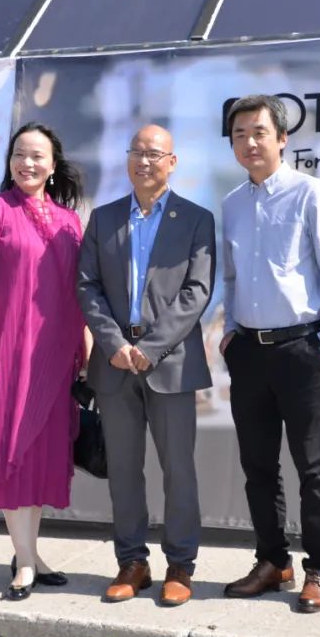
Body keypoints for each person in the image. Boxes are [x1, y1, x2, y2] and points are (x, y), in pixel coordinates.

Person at [219, 95, 320, 613]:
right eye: (239, 135)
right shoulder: (232, 204)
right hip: (249, 353)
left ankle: (319, 569)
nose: (249, 142)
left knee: (314, 469)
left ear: (282, 139)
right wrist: (230, 332)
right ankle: (273, 562)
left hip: (302, 349)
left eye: (259, 132)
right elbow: (231, 278)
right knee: (258, 467)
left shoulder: (310, 193)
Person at [76, 124, 215, 607]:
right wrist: (113, 343)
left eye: (155, 154)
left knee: (179, 470)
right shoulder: (104, 218)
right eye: (137, 152)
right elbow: (88, 286)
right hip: (114, 363)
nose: (144, 160)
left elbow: (197, 291)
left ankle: (181, 565)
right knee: (123, 470)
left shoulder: (195, 219)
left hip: (170, 363)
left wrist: (151, 347)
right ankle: (131, 562)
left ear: (172, 163)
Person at [0, 122, 90, 601]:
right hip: (9, 353)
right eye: (19, 154)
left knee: (40, 457)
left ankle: (29, 554)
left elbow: (77, 293)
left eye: (37, 155)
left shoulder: (69, 221)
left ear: (53, 166)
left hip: (55, 358)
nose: (27, 163)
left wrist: (85, 350)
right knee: (11, 454)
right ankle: (25, 565)